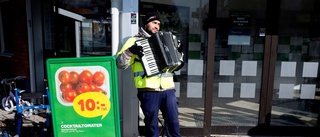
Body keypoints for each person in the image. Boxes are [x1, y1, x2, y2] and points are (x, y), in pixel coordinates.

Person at [116, 12, 182, 137]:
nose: (157, 26)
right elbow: (120, 64)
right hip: (148, 90)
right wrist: (130, 51)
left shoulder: (165, 40)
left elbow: (176, 64)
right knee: (151, 126)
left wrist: (179, 52)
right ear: (146, 24)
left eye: (159, 24)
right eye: (154, 23)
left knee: (174, 123)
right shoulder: (133, 41)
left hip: (168, 90)